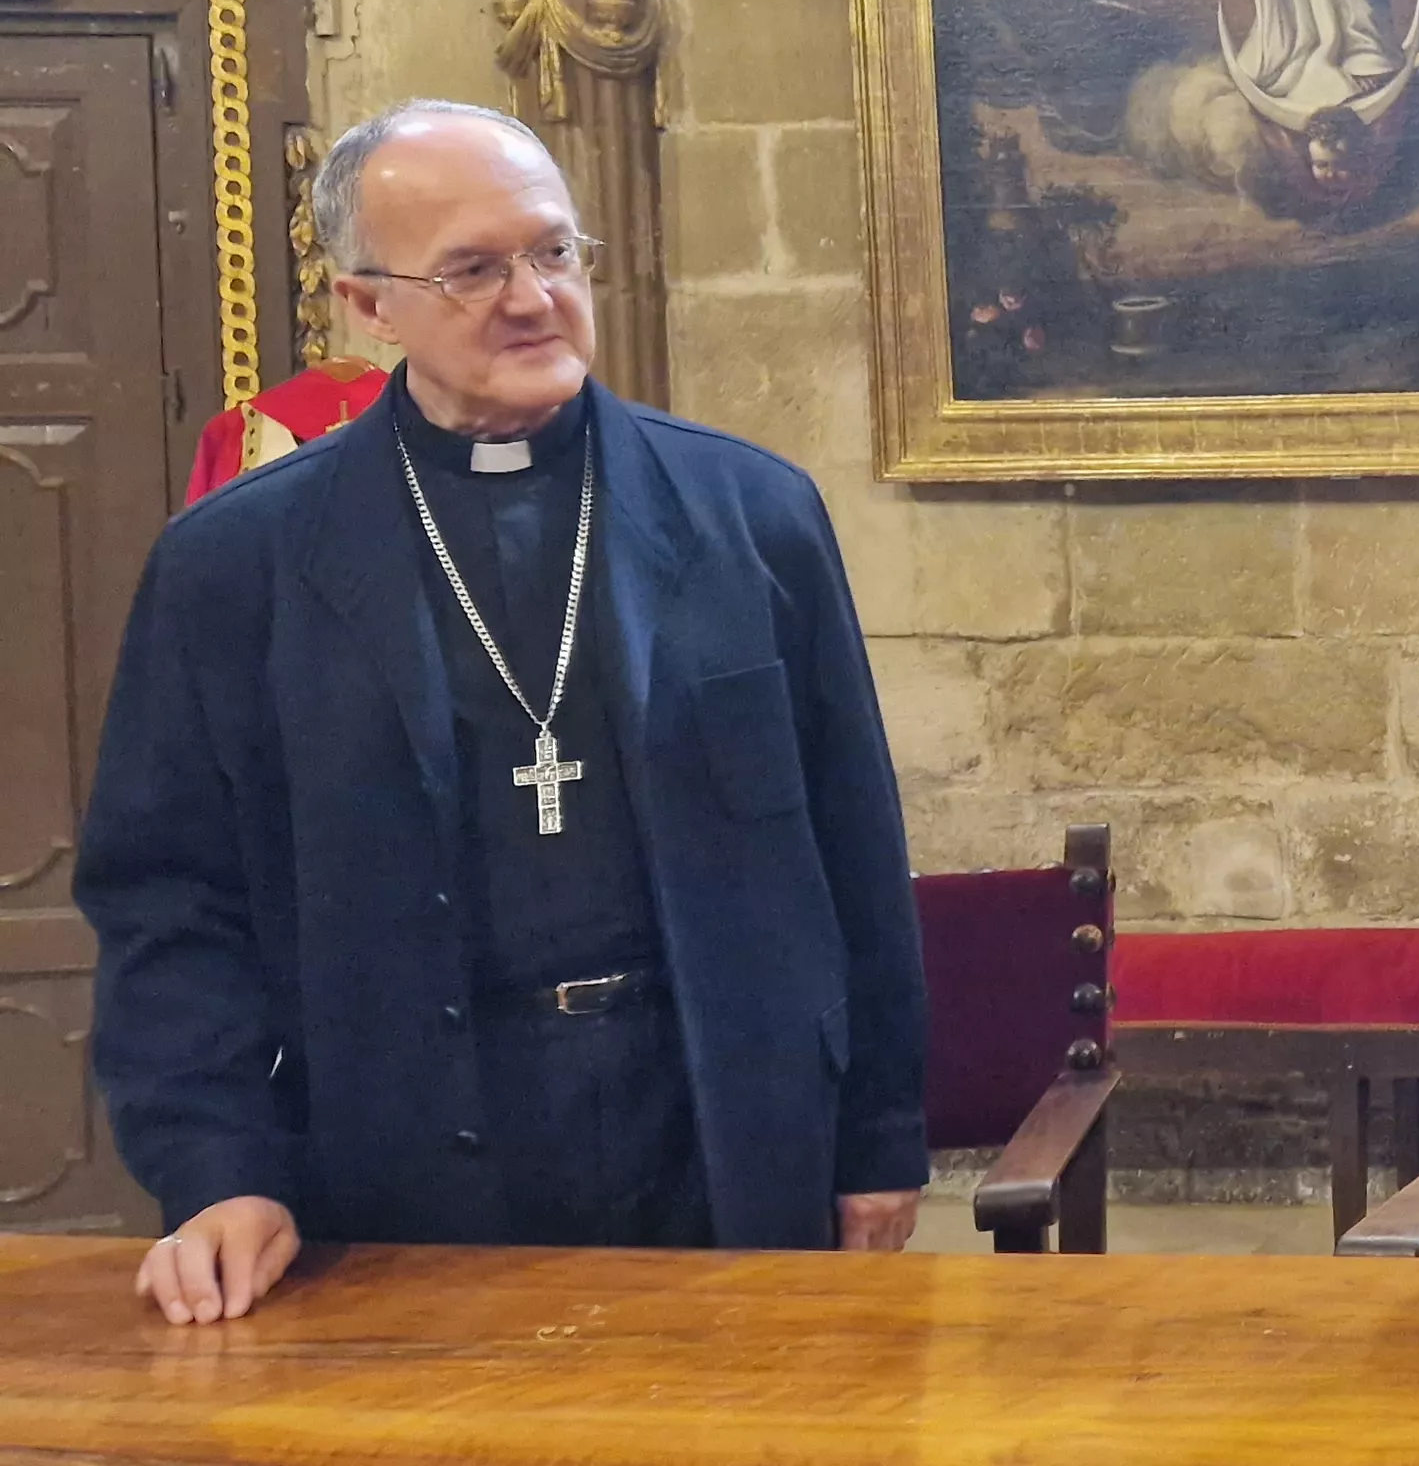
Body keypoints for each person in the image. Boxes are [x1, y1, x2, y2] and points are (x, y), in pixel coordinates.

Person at [77, 101, 929, 1323]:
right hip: (401, 1152)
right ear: (368, 306)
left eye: (553, 252)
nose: (532, 298)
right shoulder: (236, 566)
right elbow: (169, 900)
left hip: (717, 1128)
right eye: (473, 270)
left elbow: (855, 844)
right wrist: (216, 1170)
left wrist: (878, 1138)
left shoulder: (753, 515)